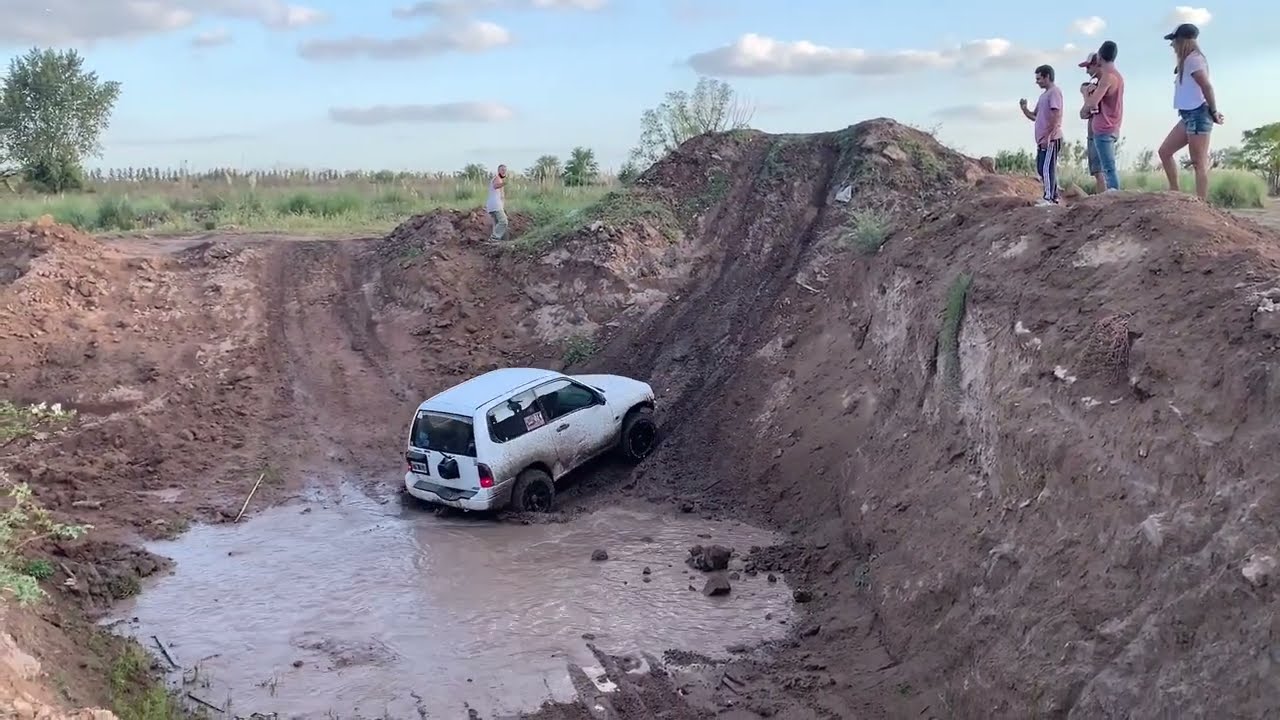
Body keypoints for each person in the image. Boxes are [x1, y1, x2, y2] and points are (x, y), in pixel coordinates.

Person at [1157, 23, 1224, 201]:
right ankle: (1175, 191)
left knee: (1199, 163)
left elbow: (1206, 86)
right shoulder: (1188, 61)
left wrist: (1214, 111)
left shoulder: (1194, 60)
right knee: (1165, 151)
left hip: (1198, 114)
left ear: (1183, 41)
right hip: (1187, 115)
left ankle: (1201, 203)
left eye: (1174, 41)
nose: (1172, 45)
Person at [1080, 40, 1123, 191]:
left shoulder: (1107, 77)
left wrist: (1086, 93)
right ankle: (1113, 198)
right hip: (1112, 126)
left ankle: (1113, 199)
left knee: (1107, 169)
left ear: (1099, 57)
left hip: (1103, 127)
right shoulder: (1117, 76)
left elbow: (1092, 105)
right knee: (1108, 168)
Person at [1019, 64, 1064, 206]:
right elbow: (1035, 116)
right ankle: (1053, 195)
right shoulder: (1043, 96)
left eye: (1039, 78)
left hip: (1051, 138)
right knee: (1041, 167)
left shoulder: (1054, 92)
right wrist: (1024, 109)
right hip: (1042, 139)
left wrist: (1049, 135)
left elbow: (1056, 114)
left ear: (1047, 77)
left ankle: (1049, 198)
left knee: (1046, 167)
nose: (1037, 81)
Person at [1077, 52, 1105, 193]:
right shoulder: (1093, 87)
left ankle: (1104, 200)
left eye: (1088, 67)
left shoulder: (1100, 87)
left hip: (1099, 132)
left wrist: (1086, 94)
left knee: (1100, 172)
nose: (1087, 71)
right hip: (1093, 132)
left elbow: (1087, 111)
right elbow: (1084, 113)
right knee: (1097, 171)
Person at [485, 164, 508, 242]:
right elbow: (495, 186)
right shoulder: (497, 178)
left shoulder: (498, 179)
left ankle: (498, 241)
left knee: (497, 223)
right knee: (503, 222)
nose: (504, 171)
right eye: (502, 170)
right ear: (498, 171)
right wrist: (504, 183)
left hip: (493, 205)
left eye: (505, 170)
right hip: (496, 205)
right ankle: (494, 238)